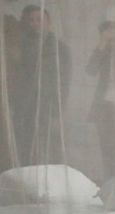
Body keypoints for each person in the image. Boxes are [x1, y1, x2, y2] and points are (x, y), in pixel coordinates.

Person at [12, 5, 70, 166]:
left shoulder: (60, 49)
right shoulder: (19, 47)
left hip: (47, 107)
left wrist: (58, 113)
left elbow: (64, 83)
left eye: (39, 20)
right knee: (23, 146)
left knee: (47, 148)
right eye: (31, 20)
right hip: (23, 107)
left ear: (48, 22)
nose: (35, 24)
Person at [86, 21, 115, 179]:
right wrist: (101, 45)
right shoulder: (103, 52)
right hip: (105, 106)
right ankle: (111, 180)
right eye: (106, 33)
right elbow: (90, 70)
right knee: (107, 148)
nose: (111, 36)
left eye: (113, 31)